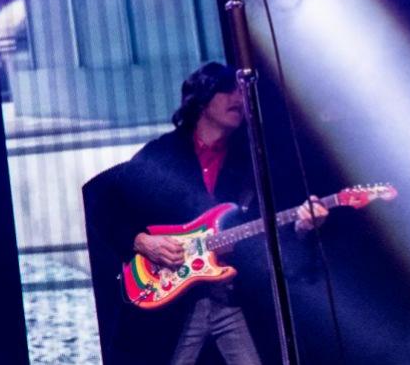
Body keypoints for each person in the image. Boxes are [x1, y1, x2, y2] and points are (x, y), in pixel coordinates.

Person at [96, 62, 324, 365]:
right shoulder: (162, 154)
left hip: (232, 294)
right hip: (174, 298)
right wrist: (142, 242)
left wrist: (302, 227)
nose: (239, 99)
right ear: (202, 99)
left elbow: (266, 224)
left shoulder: (252, 158)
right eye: (228, 91)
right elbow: (108, 206)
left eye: (241, 93)